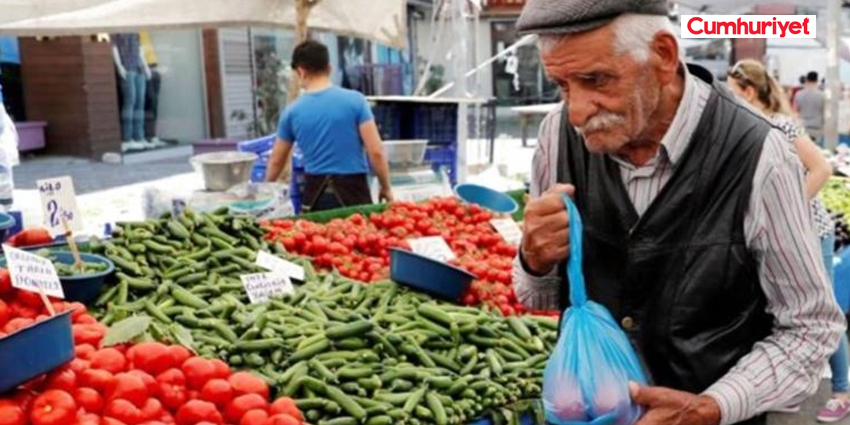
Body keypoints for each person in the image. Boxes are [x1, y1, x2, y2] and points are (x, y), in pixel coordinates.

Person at [513, 1, 846, 425]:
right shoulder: (556, 136)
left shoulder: (758, 154)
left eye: (595, 79)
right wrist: (534, 258)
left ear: (664, 56)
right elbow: (536, 296)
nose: (576, 111)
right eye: (561, 85)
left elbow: (811, 327)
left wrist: (712, 406)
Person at [727, 59, 847, 423]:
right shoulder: (747, 127)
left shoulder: (779, 125)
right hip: (776, 236)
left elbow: (822, 169)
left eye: (733, 94)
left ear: (749, 92)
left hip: (812, 232)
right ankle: (789, 388)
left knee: (820, 311)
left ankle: (842, 390)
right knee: (780, 310)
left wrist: (787, 212)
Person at [265, 40, 393, 212]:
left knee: (320, 238)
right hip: (354, 195)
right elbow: (376, 152)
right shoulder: (356, 101)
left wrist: (264, 192)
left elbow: (276, 161)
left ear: (301, 72)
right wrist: (386, 187)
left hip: (315, 198)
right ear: (329, 68)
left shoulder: (292, 112)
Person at [794, 71, 826, 146]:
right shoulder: (822, 95)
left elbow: (795, 111)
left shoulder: (798, 94)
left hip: (803, 127)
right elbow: (824, 112)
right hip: (817, 128)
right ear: (817, 80)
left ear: (807, 80)